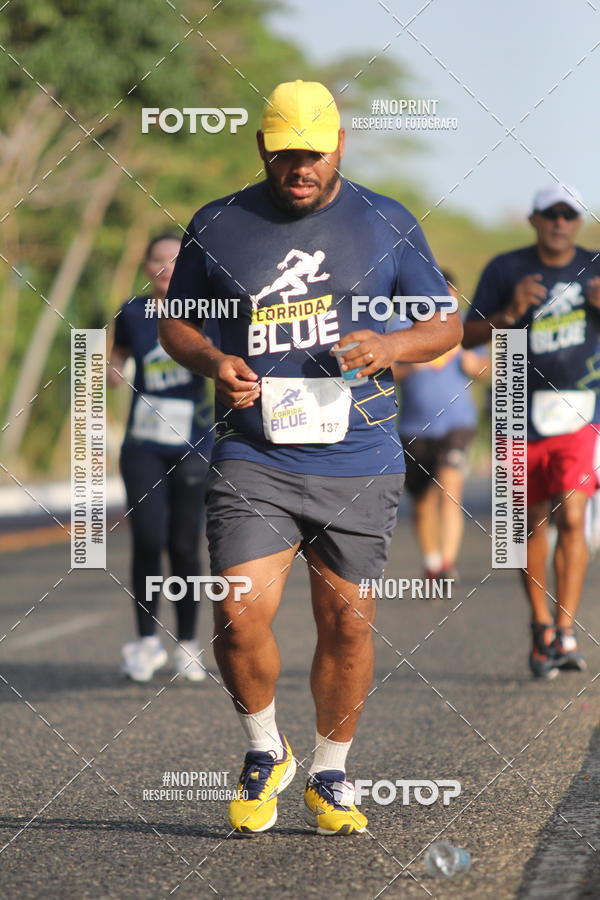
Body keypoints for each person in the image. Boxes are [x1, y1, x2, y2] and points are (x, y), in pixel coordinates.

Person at [159, 80, 462, 835]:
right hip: (253, 450)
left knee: (348, 625)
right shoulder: (218, 223)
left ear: (339, 146)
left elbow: (447, 324)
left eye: (315, 152)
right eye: (288, 151)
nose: (302, 166)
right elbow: (176, 326)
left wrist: (392, 344)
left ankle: (331, 771)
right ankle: (266, 750)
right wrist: (214, 361)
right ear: (263, 145)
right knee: (237, 611)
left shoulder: (385, 220)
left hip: (359, 455)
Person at [463, 185, 600, 679]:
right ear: (534, 219)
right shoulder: (506, 268)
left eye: (569, 214)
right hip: (515, 409)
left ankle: (565, 629)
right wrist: (508, 315)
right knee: (526, 525)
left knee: (573, 508)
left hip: (579, 411)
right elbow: (465, 333)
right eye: (551, 214)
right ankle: (540, 625)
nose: (560, 222)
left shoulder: (597, 265)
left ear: (578, 221)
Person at [108, 233, 214, 683]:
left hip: (193, 441)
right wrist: (107, 367)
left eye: (176, 260)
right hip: (143, 443)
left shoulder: (206, 311)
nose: (167, 268)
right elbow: (114, 367)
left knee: (185, 546)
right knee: (149, 541)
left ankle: (188, 644)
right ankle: (146, 641)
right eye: (159, 260)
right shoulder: (132, 312)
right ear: (147, 266)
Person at [393, 272, 489, 591]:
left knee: (450, 489)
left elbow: (490, 371)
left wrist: (476, 367)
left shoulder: (465, 328)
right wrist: (408, 367)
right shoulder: (402, 326)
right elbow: (382, 367)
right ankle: (432, 563)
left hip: (457, 424)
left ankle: (447, 564)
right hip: (414, 427)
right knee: (421, 503)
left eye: (449, 295)